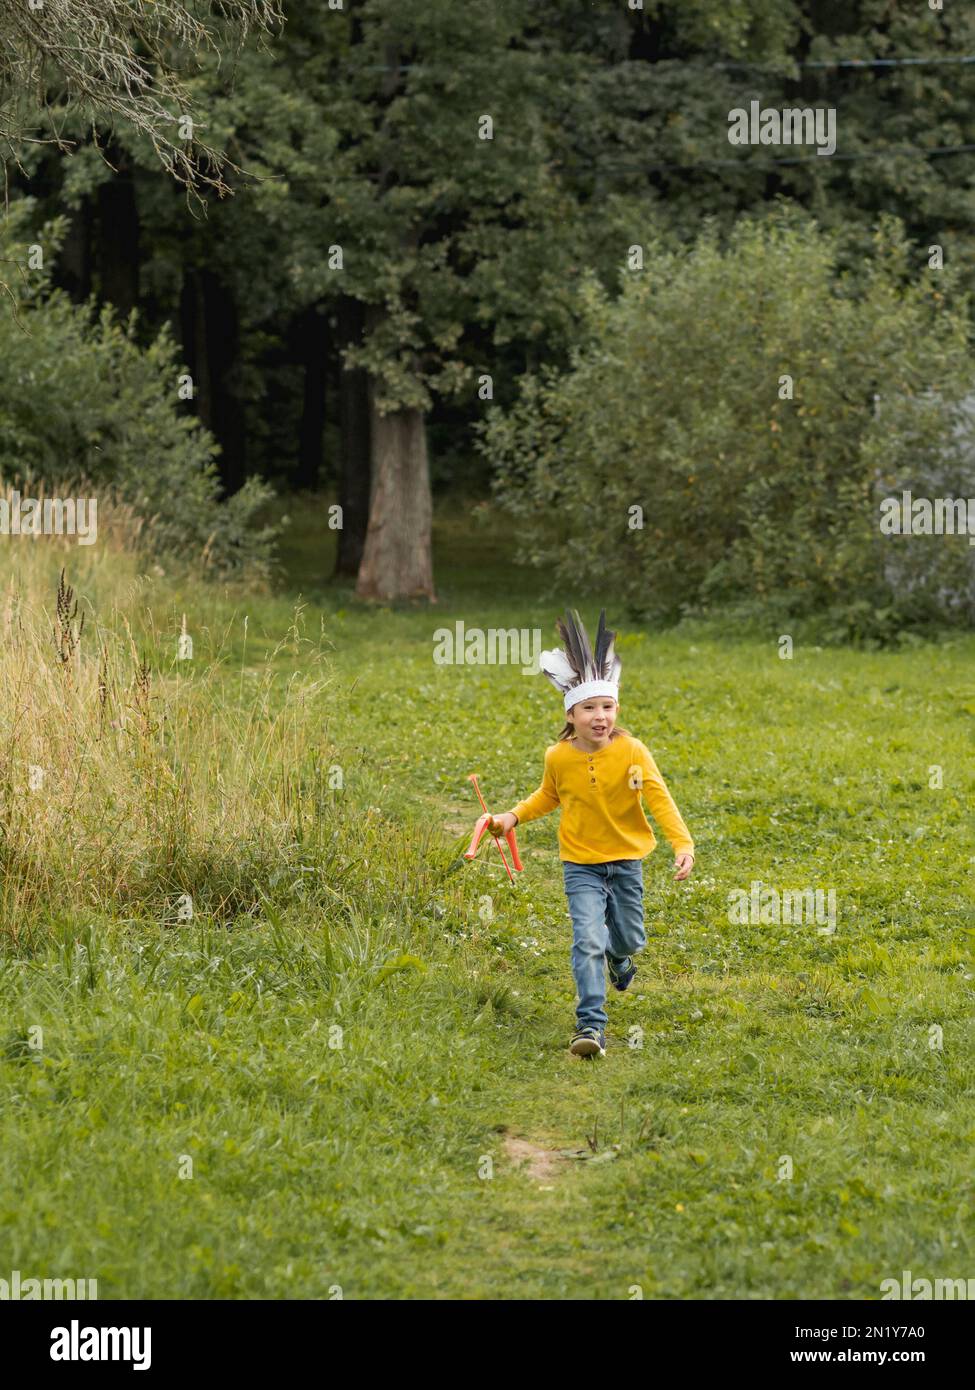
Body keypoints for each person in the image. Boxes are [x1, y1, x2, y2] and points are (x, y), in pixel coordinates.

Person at [487, 609, 694, 1058]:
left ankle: (621, 961)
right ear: (572, 713)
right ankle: (590, 1025)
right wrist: (511, 818)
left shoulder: (633, 751)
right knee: (587, 938)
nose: (599, 716)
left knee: (628, 938)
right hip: (580, 863)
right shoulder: (558, 757)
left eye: (607, 707)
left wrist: (682, 843)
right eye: (589, 709)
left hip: (625, 861)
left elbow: (658, 797)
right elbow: (548, 796)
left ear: (615, 709)